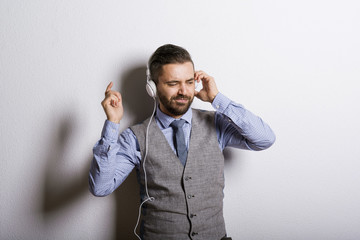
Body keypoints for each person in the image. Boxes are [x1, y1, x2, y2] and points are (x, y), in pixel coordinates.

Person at [89, 44, 275, 240]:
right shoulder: (134, 137)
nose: (184, 91)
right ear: (152, 87)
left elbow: (265, 139)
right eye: (173, 83)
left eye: (188, 81)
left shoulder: (216, 123)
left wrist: (217, 99)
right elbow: (100, 187)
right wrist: (112, 123)